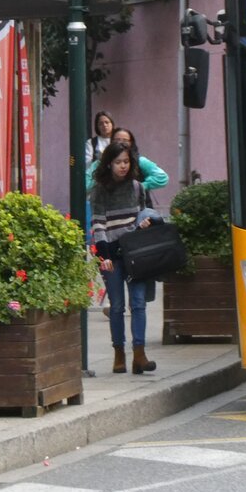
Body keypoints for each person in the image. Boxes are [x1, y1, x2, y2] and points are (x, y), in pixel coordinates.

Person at [90, 141, 157, 375]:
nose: (123, 166)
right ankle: (119, 352)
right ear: (109, 164)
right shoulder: (99, 190)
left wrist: (144, 222)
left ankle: (140, 354)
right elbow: (98, 223)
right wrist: (104, 256)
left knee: (138, 303)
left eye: (126, 162)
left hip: (134, 253)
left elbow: (142, 214)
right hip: (111, 254)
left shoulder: (138, 187)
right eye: (118, 162)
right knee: (117, 306)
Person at [85, 127, 169, 195]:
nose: (121, 143)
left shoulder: (139, 161)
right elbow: (86, 185)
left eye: (125, 140)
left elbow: (162, 177)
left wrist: (141, 186)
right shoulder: (100, 163)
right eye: (117, 140)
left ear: (131, 143)